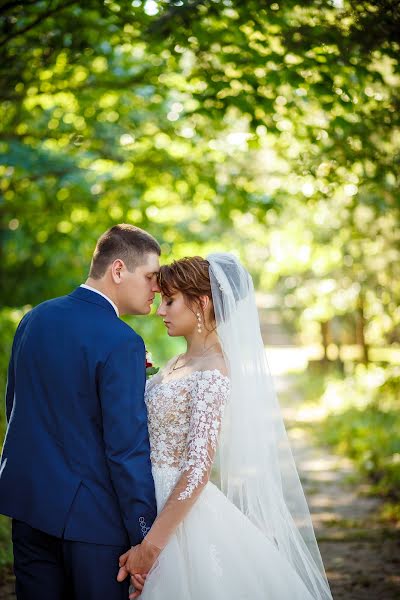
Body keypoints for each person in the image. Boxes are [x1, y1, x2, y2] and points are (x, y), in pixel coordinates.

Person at [118, 254, 333, 600]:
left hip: (177, 511)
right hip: (142, 495)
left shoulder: (213, 371)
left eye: (170, 300)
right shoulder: (176, 362)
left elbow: (198, 469)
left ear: (201, 303)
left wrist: (151, 548)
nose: (160, 310)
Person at [0, 224, 161, 600]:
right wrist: (143, 535)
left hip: (27, 508)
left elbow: (15, 407)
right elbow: (126, 449)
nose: (157, 288)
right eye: (151, 277)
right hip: (95, 525)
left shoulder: (35, 318)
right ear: (118, 270)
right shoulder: (122, 341)